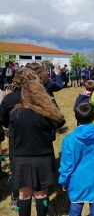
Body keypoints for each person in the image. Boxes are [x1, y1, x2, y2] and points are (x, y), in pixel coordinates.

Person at [10, 81, 65, 216]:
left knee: (24, 195)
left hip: (21, 158)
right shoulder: (47, 114)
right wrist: (51, 102)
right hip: (43, 158)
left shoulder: (15, 114)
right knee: (41, 194)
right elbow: (61, 120)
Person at [58, 103, 94, 216]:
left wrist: (63, 181)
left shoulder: (69, 139)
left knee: (75, 207)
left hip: (76, 180)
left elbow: (66, 165)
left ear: (76, 117)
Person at [0, 68, 39, 209]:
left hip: (15, 136)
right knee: (34, 164)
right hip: (35, 135)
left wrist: (11, 126)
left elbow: (2, 119)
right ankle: (35, 194)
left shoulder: (9, 99)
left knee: (16, 166)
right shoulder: (37, 97)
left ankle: (16, 196)